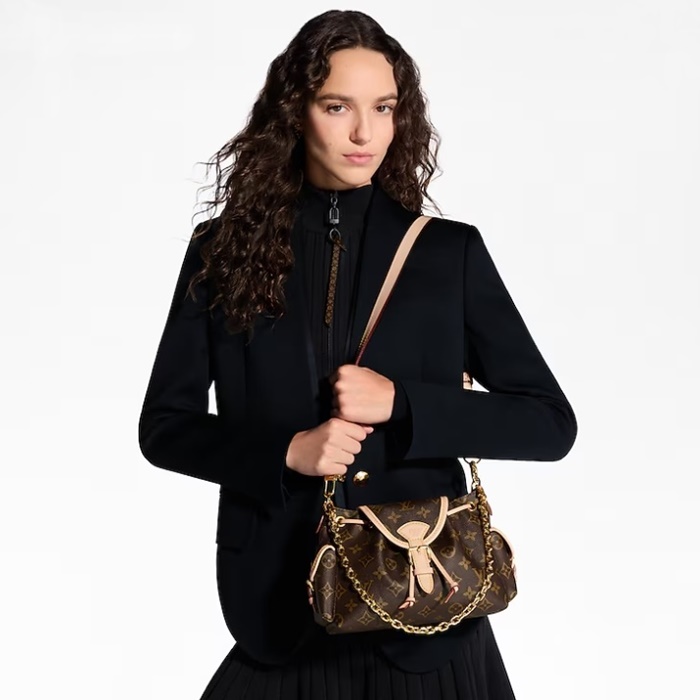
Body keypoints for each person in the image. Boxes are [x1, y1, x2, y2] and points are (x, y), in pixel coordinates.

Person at [138, 9, 577, 699]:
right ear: (295, 112)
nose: (364, 133)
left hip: (423, 616)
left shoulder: (447, 254)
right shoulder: (220, 252)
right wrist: (287, 452)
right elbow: (164, 427)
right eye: (337, 106)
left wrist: (404, 405)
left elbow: (549, 424)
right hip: (279, 611)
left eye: (384, 108)